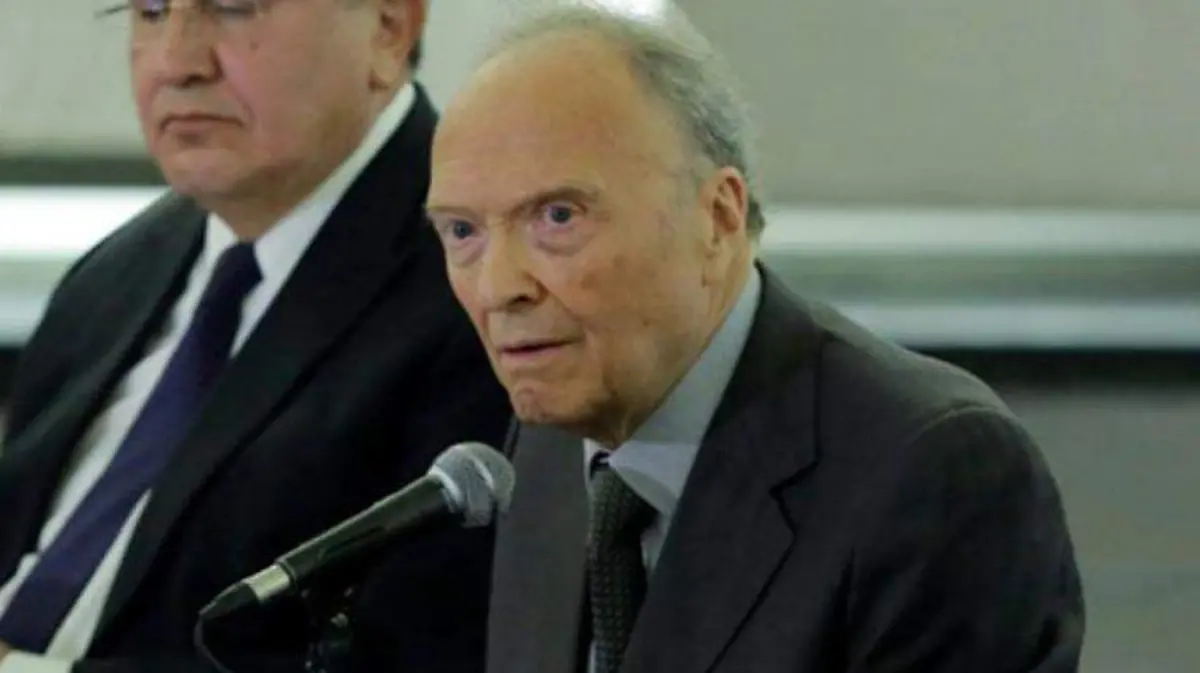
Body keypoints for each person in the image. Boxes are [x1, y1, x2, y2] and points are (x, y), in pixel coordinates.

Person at [425, 5, 1086, 673]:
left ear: (716, 218)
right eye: (462, 232)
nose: (497, 286)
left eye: (558, 216)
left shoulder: (931, 471)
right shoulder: (543, 450)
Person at [0, 0, 511, 671]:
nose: (177, 62)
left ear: (388, 29)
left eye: (234, 8)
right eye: (150, 11)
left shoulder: (481, 285)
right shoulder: (112, 272)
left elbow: (414, 649)